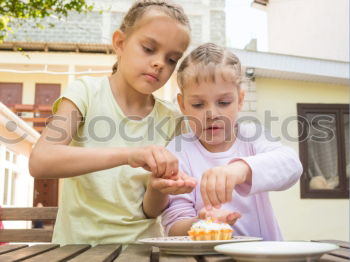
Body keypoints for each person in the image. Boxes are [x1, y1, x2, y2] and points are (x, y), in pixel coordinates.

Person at [29, 0, 195, 245]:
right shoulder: (86, 92)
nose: (160, 63)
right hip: (76, 250)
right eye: (149, 48)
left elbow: (150, 211)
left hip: (141, 251)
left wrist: (159, 186)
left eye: (172, 59)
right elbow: (41, 162)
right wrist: (130, 155)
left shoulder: (172, 119)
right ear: (120, 42)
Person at [156, 43, 303, 241]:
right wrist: (202, 224)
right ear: (182, 104)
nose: (212, 114)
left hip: (263, 255)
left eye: (224, 103)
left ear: (240, 100)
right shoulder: (178, 150)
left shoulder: (252, 136)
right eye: (198, 104)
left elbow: (292, 166)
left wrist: (240, 170)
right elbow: (173, 227)